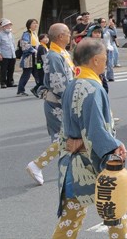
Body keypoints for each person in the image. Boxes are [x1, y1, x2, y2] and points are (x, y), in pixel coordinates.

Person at [51, 38, 127, 239]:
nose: (106, 62)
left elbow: (67, 126)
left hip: (72, 164)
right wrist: (115, 147)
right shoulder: (93, 88)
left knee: (70, 221)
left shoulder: (73, 84)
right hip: (90, 164)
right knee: (115, 214)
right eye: (105, 58)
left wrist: (74, 141)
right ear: (95, 60)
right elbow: (95, 130)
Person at [25, 23, 73, 186]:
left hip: (61, 102)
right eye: (67, 33)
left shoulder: (61, 53)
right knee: (64, 138)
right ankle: (37, 165)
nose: (70, 35)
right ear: (60, 36)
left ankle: (68, 169)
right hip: (58, 104)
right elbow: (59, 86)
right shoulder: (54, 56)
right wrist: (74, 101)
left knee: (68, 138)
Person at [17, 19, 40, 96]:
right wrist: (34, 50)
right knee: (26, 74)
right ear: (29, 25)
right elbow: (25, 45)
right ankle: (20, 90)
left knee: (37, 74)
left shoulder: (34, 33)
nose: (36, 25)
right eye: (34, 23)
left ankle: (39, 89)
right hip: (28, 58)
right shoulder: (26, 34)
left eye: (36, 23)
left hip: (35, 57)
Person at [0, 18, 16, 88]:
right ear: (3, 27)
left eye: (9, 25)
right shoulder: (0, 35)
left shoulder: (11, 34)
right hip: (4, 55)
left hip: (12, 54)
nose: (9, 27)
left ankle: (10, 82)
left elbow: (13, 44)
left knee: (11, 69)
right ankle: (3, 82)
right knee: (3, 70)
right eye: (7, 25)